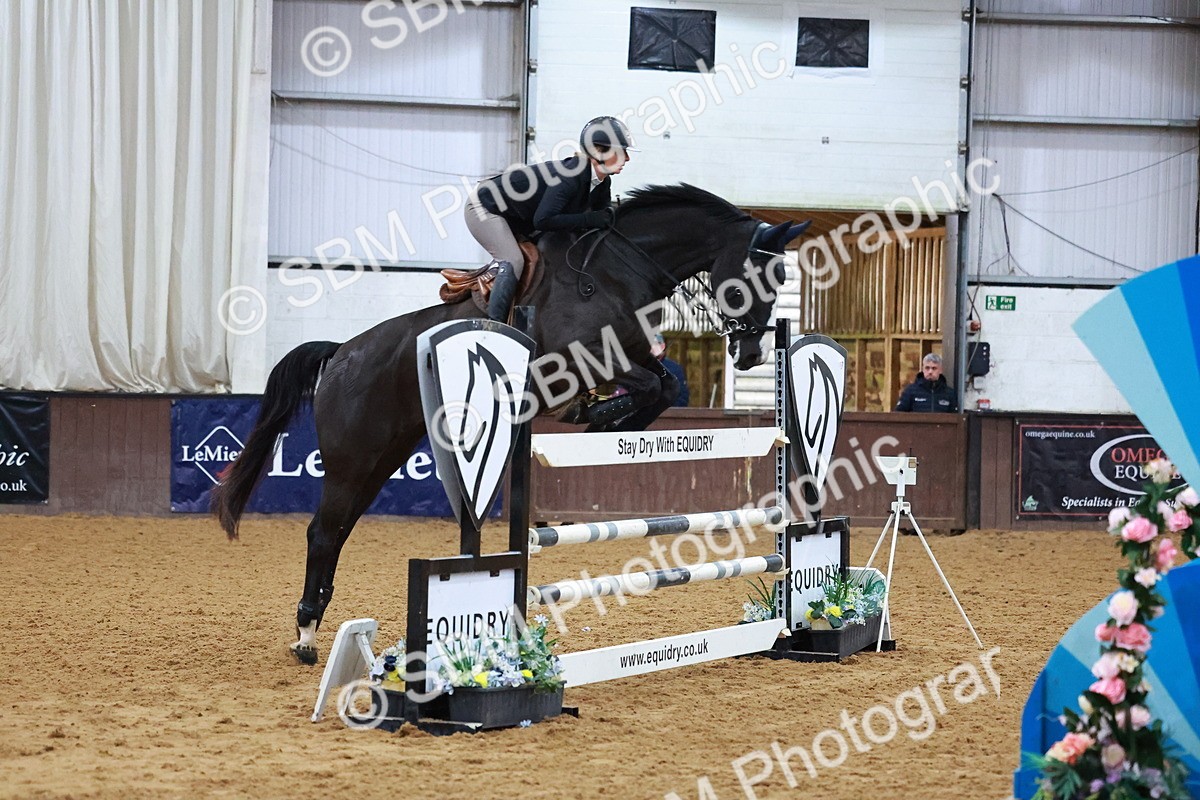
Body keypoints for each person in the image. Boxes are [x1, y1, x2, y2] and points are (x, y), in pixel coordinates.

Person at [465, 116, 637, 322]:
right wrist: (590, 219)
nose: (627, 158)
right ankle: (494, 326)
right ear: (598, 152)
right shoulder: (569, 176)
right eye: (621, 152)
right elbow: (544, 221)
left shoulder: (602, 182)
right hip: (484, 207)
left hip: (517, 217)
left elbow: (601, 222)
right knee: (513, 260)